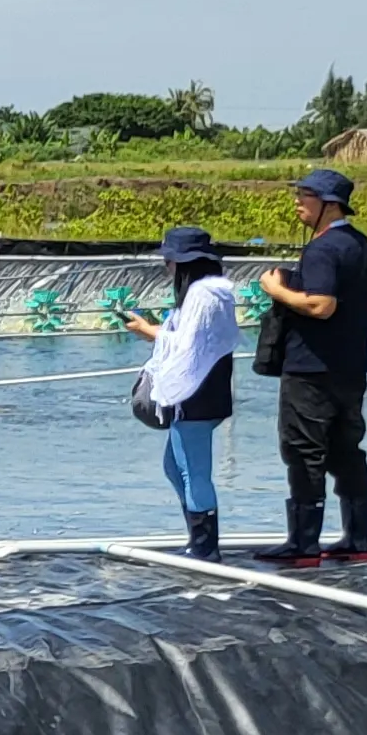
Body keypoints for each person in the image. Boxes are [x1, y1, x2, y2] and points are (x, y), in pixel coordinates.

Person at [246, 167, 367, 566]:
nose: (298, 202)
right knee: (347, 452)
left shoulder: (322, 248)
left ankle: (303, 544)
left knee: (304, 452)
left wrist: (277, 290)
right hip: (350, 367)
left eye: (306, 196)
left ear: (329, 204)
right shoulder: (361, 244)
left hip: (311, 370)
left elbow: (321, 305)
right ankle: (357, 541)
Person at [125, 223, 240, 560]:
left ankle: (205, 548)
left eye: (169, 260)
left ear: (184, 262)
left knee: (192, 471)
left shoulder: (204, 295)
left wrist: (149, 332)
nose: (166, 266)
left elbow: (190, 345)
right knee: (175, 468)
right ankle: (198, 539)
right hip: (202, 390)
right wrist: (153, 329)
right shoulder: (205, 293)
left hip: (197, 394)